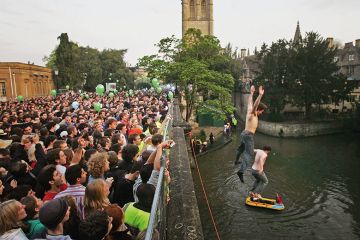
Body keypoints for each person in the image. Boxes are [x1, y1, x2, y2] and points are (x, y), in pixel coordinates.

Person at [236, 85, 266, 183]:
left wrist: (251, 93)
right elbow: (255, 105)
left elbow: (250, 103)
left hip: (243, 134)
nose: (262, 113)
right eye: (262, 111)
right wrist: (260, 95)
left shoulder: (250, 112)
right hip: (248, 136)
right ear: (259, 110)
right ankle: (240, 171)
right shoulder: (253, 113)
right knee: (249, 154)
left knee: (241, 148)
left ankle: (236, 160)